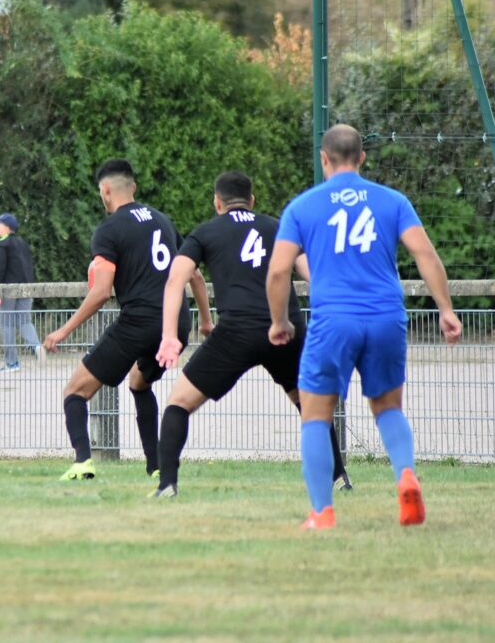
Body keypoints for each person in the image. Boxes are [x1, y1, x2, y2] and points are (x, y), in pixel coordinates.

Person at [266, 124, 462, 529]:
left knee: (316, 415)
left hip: (333, 319)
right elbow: (425, 253)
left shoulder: (303, 207)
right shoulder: (392, 201)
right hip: (386, 316)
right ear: (362, 158)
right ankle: (405, 474)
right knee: (388, 407)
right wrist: (446, 309)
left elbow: (279, 271)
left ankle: (323, 512)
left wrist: (279, 321)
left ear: (324, 159)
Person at [153, 171, 352, 498]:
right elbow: (313, 272)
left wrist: (169, 335)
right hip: (285, 327)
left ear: (217, 202)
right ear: (252, 201)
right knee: (309, 404)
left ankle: (167, 485)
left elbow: (176, 281)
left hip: (237, 332)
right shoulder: (279, 226)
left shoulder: (204, 233)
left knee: (178, 403)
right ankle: (338, 477)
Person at [43, 159, 212, 482]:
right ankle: (156, 465)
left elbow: (102, 290)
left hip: (140, 321)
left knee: (75, 392)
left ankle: (83, 463)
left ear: (105, 191)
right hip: (176, 323)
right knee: (139, 382)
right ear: (132, 187)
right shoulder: (163, 221)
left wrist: (63, 330)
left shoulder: (109, 230)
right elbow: (196, 276)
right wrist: (205, 321)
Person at [0, 212, 44, 372]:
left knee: (6, 324)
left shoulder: (1, 245)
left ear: (6, 228)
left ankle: (12, 363)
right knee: (24, 321)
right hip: (27, 288)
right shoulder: (22, 243)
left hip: (8, 289)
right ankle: (36, 346)